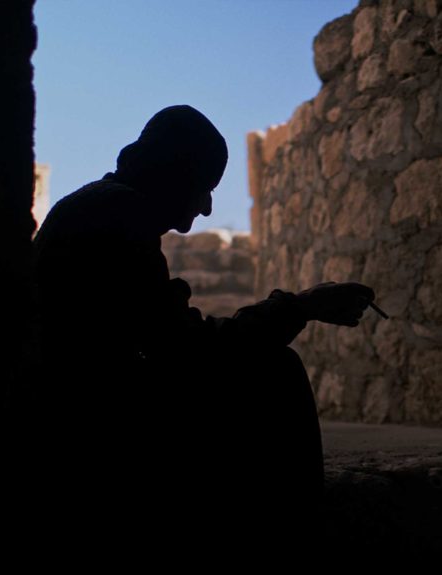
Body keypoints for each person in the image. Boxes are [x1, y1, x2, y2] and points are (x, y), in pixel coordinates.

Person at [32, 105, 374, 543]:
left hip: (79, 406)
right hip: (88, 429)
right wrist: (300, 307)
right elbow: (188, 351)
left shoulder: (97, 207)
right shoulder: (119, 215)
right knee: (277, 372)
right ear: (175, 173)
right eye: (205, 187)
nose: (210, 208)